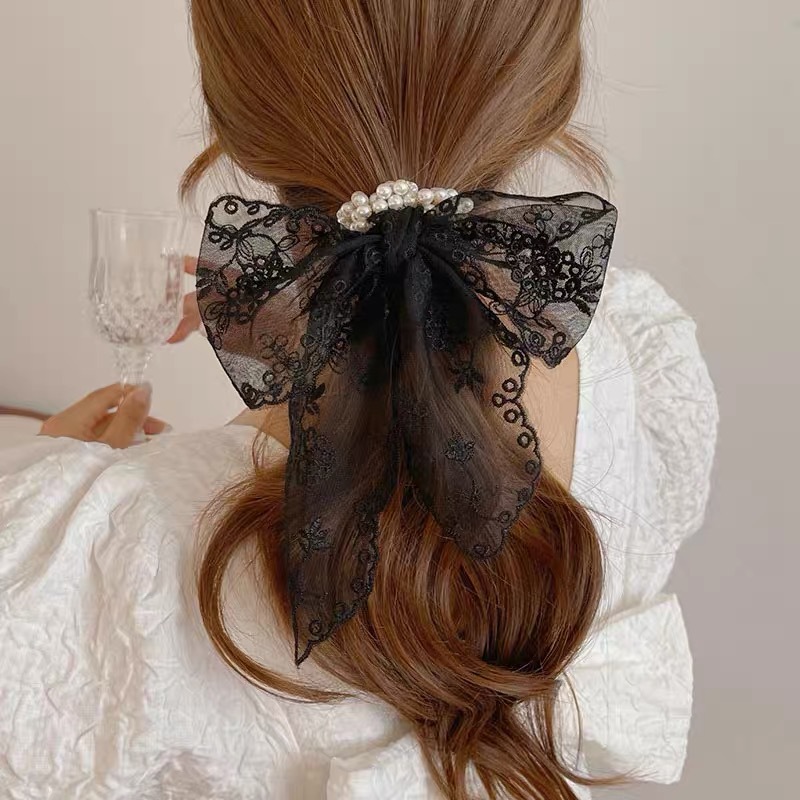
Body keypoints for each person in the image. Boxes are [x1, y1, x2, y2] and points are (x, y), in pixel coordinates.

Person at [0, 2, 718, 799]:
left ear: (230, 106)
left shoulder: (99, 556)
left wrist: (52, 487)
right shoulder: (639, 354)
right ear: (551, 84)